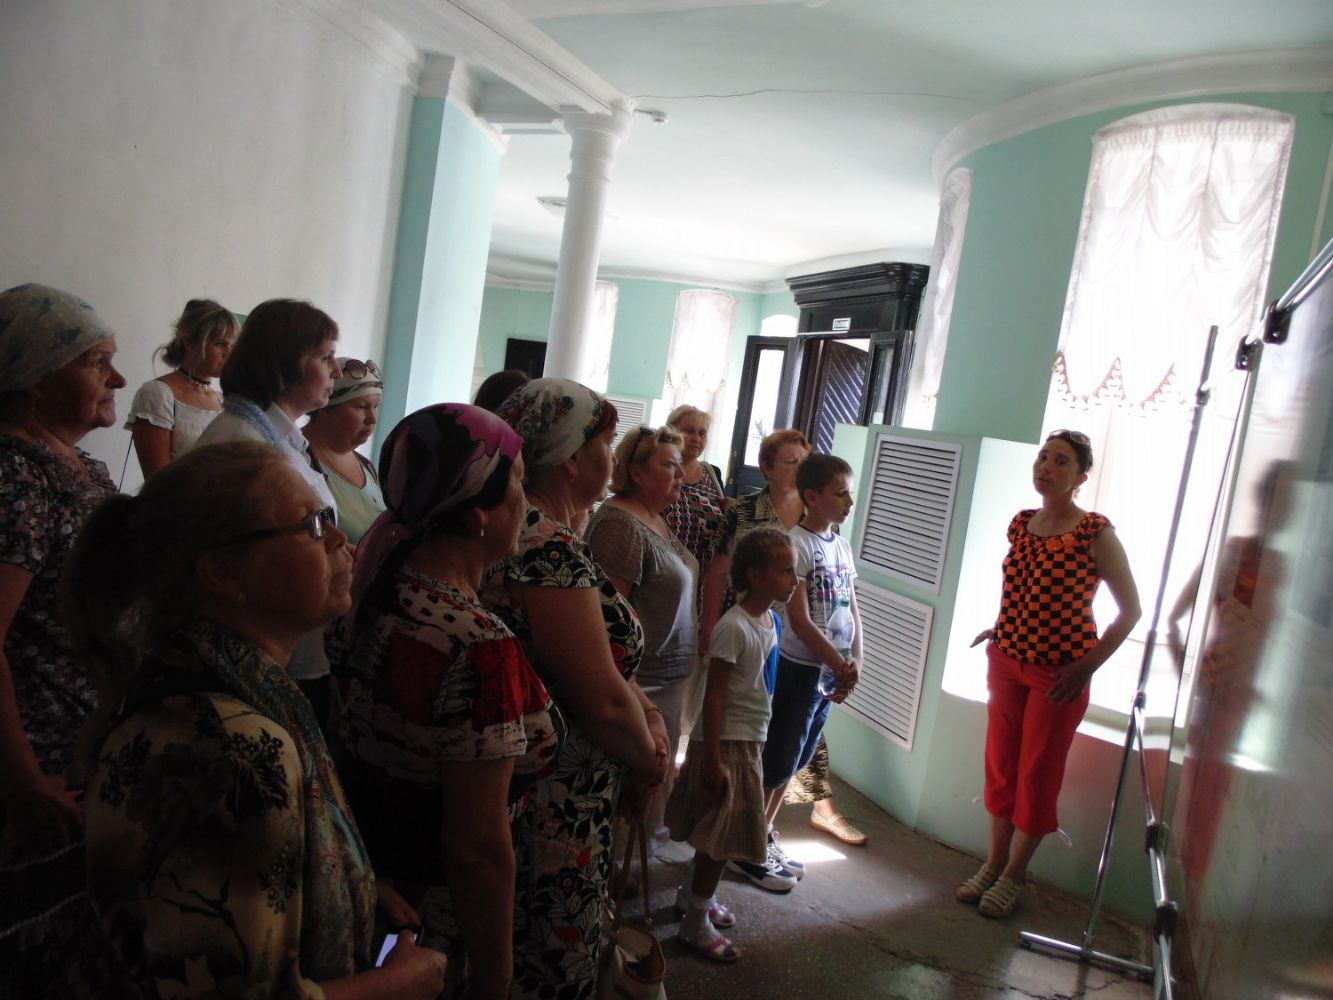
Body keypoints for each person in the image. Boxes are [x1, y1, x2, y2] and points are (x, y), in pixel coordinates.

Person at [66, 441, 447, 997]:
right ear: (224, 573)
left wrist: (343, 886)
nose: (339, 540)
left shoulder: (220, 680)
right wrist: (394, 985)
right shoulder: (233, 746)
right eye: (312, 525)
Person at [335, 404, 562, 999]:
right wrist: (494, 979)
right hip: (439, 917)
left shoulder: (382, 583)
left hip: (376, 876)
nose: (528, 502)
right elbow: (476, 849)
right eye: (517, 484)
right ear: (477, 514)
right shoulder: (477, 644)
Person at [490, 377, 669, 1000]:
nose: (612, 459)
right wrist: (650, 759)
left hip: (556, 785)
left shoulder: (547, 532)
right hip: (555, 798)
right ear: (571, 459)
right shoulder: (546, 547)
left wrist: (647, 712)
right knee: (548, 960)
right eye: (606, 444)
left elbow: (608, 665)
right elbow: (598, 699)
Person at [0, 283, 125, 997]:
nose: (118, 379)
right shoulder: (17, 476)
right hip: (38, 761)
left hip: (82, 746)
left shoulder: (78, 467)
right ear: (35, 377)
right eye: (96, 362)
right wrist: (22, 781)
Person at [959, 430, 1140, 918]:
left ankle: (1014, 875)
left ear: (1081, 476)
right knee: (1001, 767)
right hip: (1006, 661)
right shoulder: (1022, 524)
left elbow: (1131, 612)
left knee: (1038, 775)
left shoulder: (1094, 533)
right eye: (1042, 457)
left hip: (1058, 675)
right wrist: (1001, 627)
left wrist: (1086, 667)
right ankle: (993, 864)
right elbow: (1026, 591)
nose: (1046, 467)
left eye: (1061, 461)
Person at [196, 298, 342, 721]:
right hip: (257, 642)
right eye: (325, 357)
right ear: (284, 364)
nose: (336, 371)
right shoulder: (244, 442)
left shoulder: (279, 436)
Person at [666, 525, 798, 961]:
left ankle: (691, 898)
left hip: (748, 739)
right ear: (756, 575)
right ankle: (694, 924)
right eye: (785, 571)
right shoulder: (734, 627)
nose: (794, 580)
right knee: (720, 843)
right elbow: (715, 694)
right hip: (727, 744)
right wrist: (714, 758)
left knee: (713, 834)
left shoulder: (770, 621)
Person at [736, 452, 863, 893]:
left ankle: (765, 832)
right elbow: (800, 620)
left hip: (830, 672)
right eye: (840, 493)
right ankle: (747, 846)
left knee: (799, 758)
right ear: (812, 496)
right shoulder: (798, 545)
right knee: (778, 758)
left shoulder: (840, 546)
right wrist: (838, 664)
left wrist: (856, 661)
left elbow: (852, 608)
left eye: (849, 493)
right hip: (802, 669)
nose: (849, 502)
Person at [586, 425, 698, 851]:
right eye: (669, 465)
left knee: (653, 787)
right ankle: (616, 873)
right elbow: (608, 620)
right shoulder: (620, 525)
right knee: (631, 790)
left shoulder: (653, 516)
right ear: (635, 472)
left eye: (679, 464)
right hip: (641, 685)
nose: (680, 474)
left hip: (668, 682)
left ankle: (632, 864)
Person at [700, 428, 809, 647]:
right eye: (791, 462)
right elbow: (718, 575)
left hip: (800, 642)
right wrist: (709, 633)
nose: (800, 470)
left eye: (804, 463)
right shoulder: (741, 510)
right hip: (745, 635)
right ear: (767, 468)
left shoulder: (818, 515)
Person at [125, 298, 236, 478]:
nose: (229, 353)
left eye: (233, 346)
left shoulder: (223, 400)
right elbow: (158, 479)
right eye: (220, 344)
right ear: (190, 342)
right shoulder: (158, 394)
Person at [304, 358, 385, 544]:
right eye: (362, 407)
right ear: (325, 408)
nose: (372, 419)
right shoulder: (300, 462)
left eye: (375, 407)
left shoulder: (367, 467)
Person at [663, 404, 727, 583]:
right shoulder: (660, 471)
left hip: (705, 580)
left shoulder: (713, 474)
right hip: (664, 577)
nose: (696, 439)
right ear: (671, 432)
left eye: (702, 433)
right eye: (688, 431)